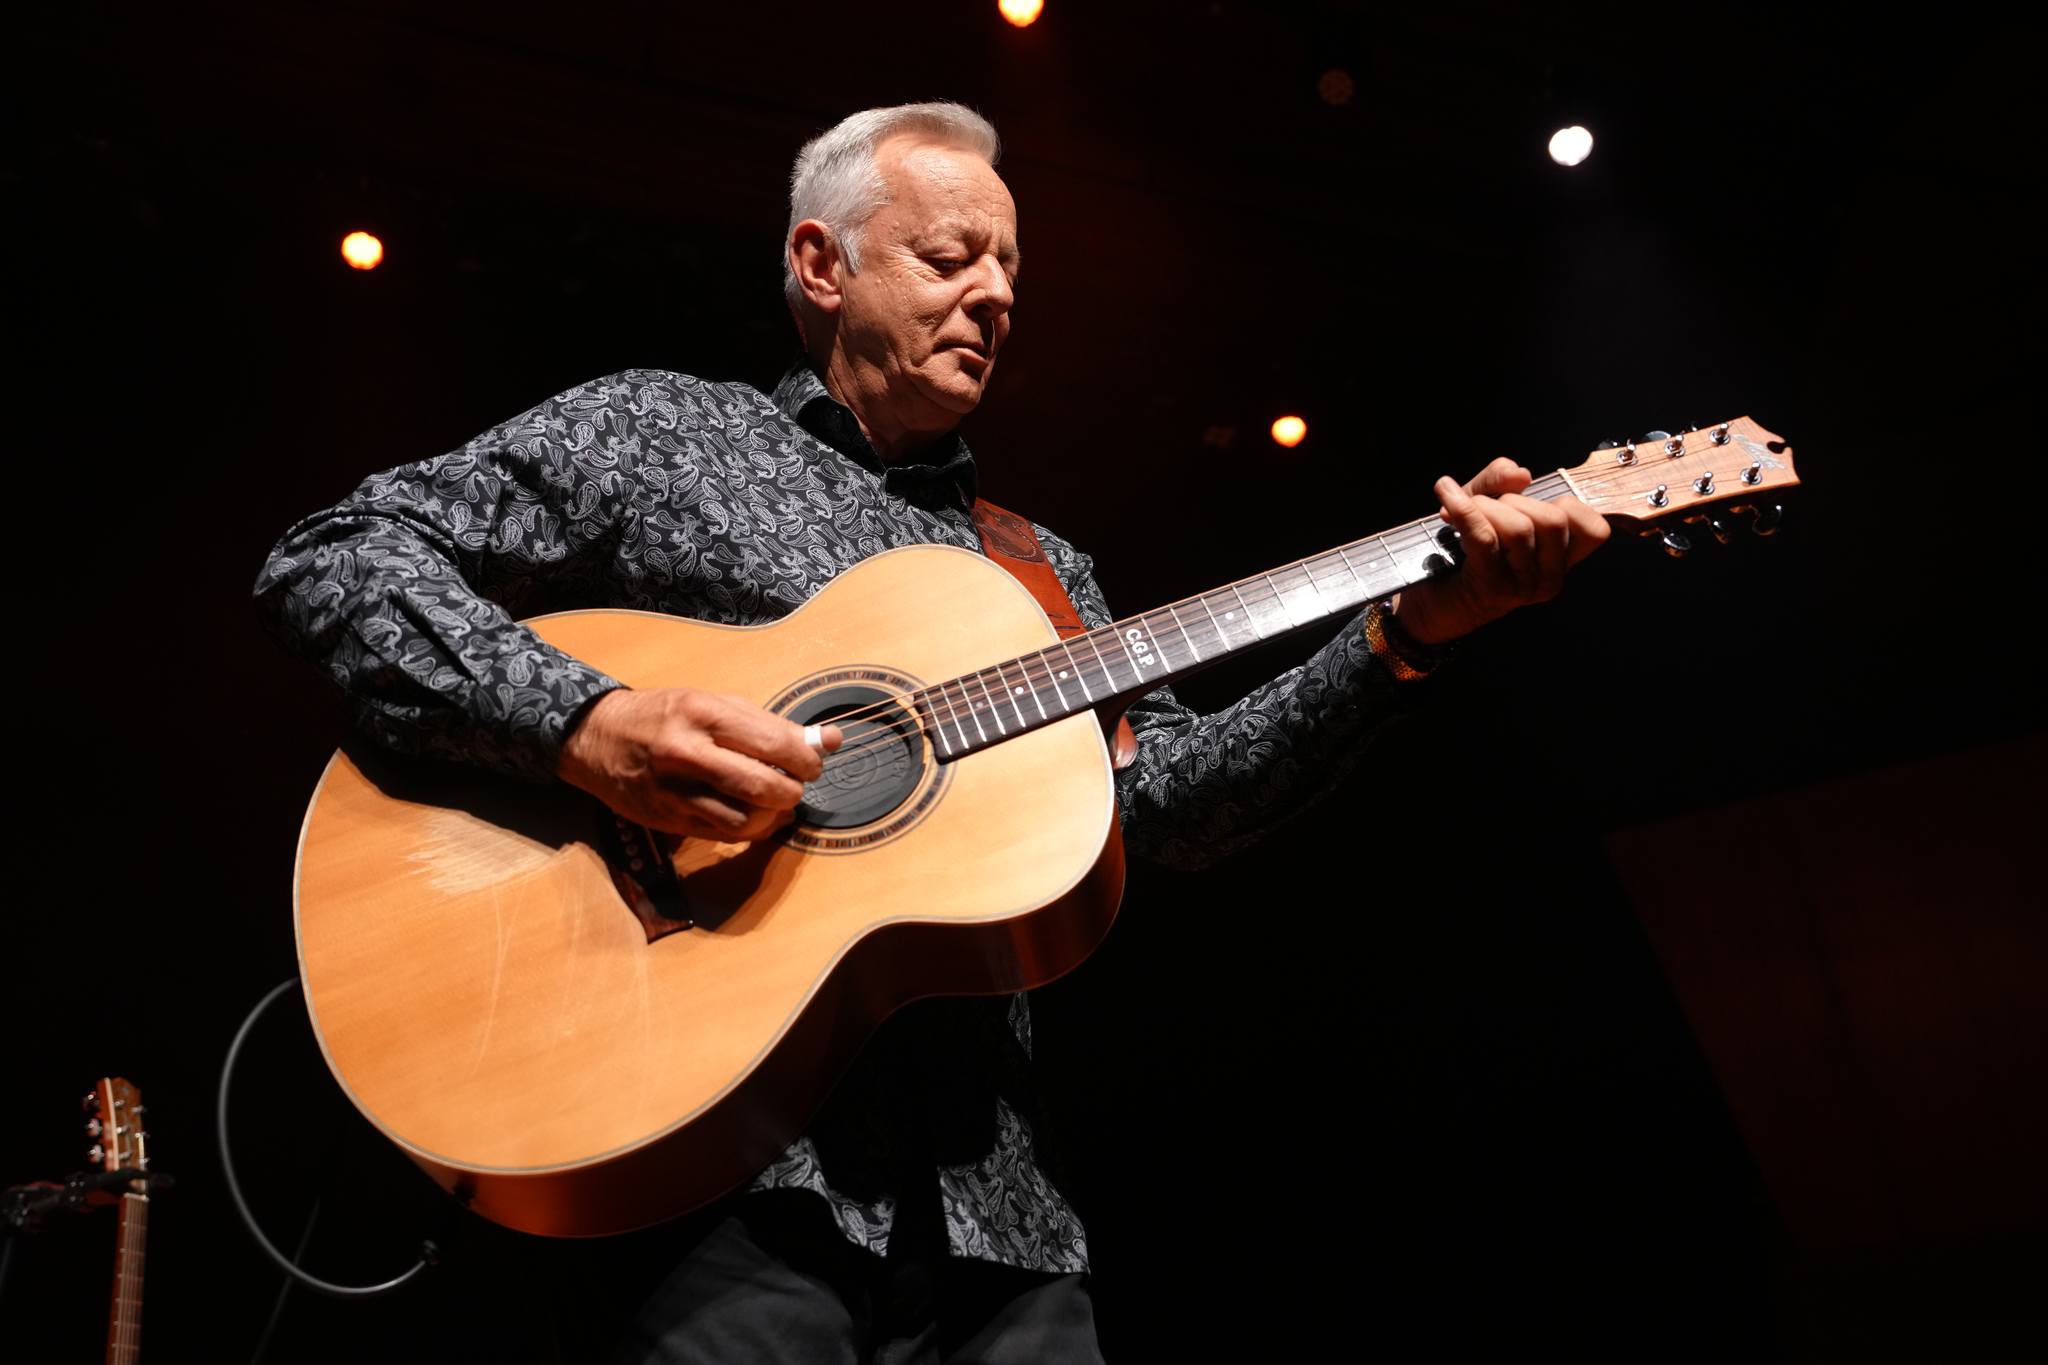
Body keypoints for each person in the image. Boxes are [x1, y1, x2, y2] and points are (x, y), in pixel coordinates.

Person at [255, 101, 1608, 1362]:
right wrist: (587, 724)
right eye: (952, 256)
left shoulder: (1036, 571)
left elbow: (1176, 806)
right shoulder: (667, 433)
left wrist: (1409, 633)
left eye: (1010, 267)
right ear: (822, 264)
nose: (997, 293)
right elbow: (338, 555)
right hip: (707, 1177)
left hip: (996, 1223)